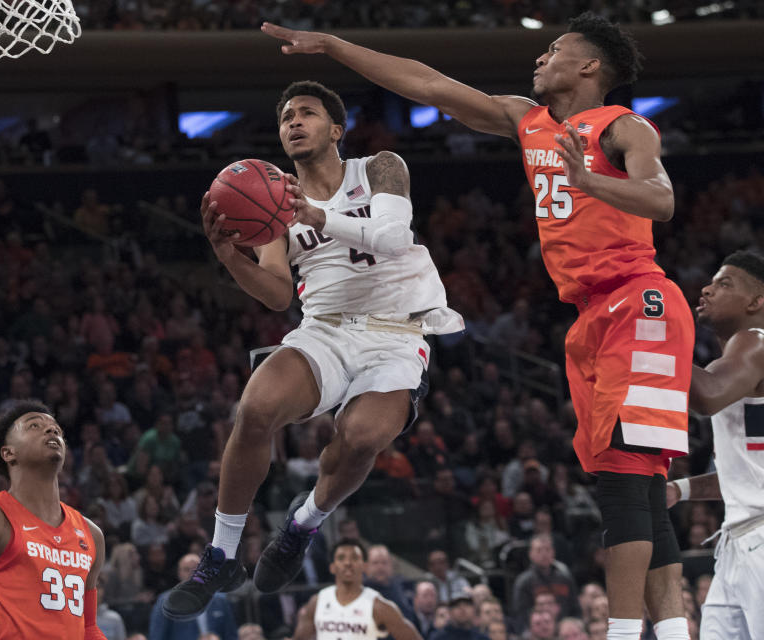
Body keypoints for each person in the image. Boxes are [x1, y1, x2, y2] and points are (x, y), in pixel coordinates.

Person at [261, 14, 693, 640]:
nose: (540, 58)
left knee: (626, 481)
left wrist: (588, 179)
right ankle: (673, 631)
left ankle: (626, 632)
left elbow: (663, 199)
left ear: (589, 67)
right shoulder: (530, 121)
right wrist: (332, 46)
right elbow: (428, 85)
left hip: (637, 299)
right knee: (637, 484)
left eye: (555, 49)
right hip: (591, 316)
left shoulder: (621, 126)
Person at [164, 79, 463, 620]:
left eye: (306, 113)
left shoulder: (379, 168)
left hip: (396, 333)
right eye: (285, 118)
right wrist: (230, 258)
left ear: (337, 129)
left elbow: (395, 238)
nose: (294, 122)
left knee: (362, 437)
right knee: (254, 408)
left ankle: (303, 523)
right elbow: (278, 293)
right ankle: (221, 554)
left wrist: (317, 215)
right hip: (324, 328)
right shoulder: (273, 201)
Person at [0, 402, 106, 640]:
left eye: (57, 429)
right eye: (34, 425)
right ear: (8, 453)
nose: (51, 431)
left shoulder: (91, 534)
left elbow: (88, 628)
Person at [667, 250, 764, 639]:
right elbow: (747, 473)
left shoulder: (755, 344)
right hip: (738, 543)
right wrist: (681, 489)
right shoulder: (745, 362)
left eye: (725, 284)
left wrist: (651, 336)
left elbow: (707, 396)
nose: (707, 288)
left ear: (756, 302)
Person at [290, 538, 420, 640]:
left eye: (354, 558)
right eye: (341, 558)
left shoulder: (380, 606)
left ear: (364, 566)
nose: (348, 563)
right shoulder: (317, 602)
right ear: (332, 567)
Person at [149, 553, 238, 640]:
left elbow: (231, 635)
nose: (192, 573)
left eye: (196, 569)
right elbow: (157, 636)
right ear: (179, 573)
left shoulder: (220, 600)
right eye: (186, 569)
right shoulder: (166, 600)